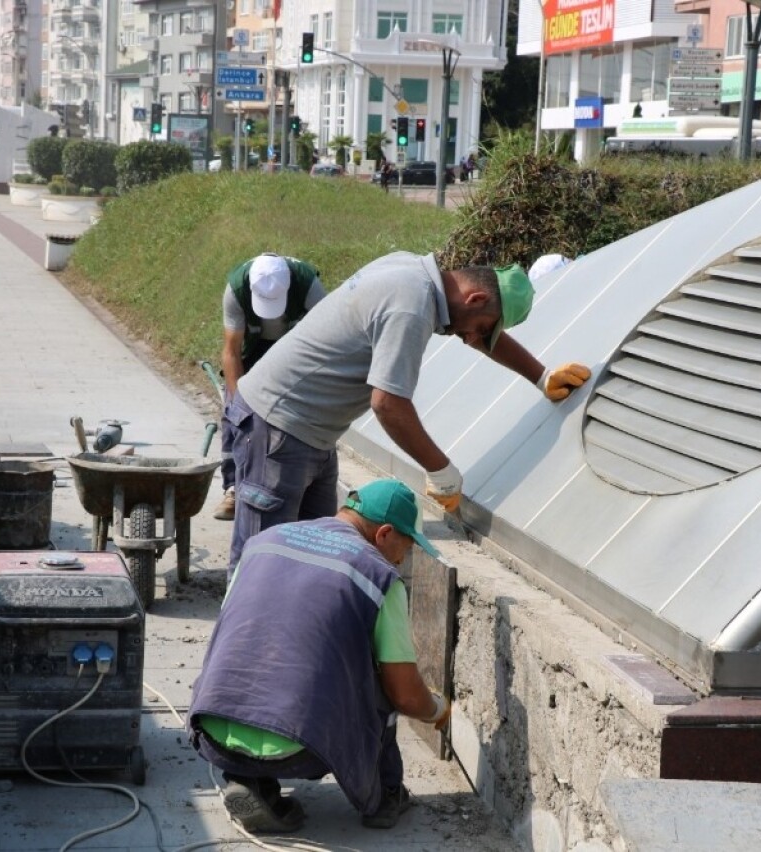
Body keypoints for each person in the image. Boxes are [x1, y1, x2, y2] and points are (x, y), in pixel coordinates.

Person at [224, 251, 591, 569]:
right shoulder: (410, 307)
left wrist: (540, 376)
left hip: (311, 435)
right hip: (275, 429)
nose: (471, 339)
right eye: (480, 329)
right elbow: (387, 404)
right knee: (261, 563)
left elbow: (482, 336)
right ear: (475, 298)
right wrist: (440, 469)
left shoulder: (411, 272)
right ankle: (242, 648)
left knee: (317, 556)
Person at [188, 478, 453, 833]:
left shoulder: (261, 543)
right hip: (308, 746)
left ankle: (249, 780)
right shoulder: (378, 575)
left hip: (213, 726)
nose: (403, 558)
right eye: (405, 547)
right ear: (384, 533)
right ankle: (385, 796)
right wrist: (437, 708)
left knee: (250, 650)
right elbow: (404, 694)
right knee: (382, 683)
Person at [212, 253, 326, 520]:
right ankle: (233, 488)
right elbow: (231, 351)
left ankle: (296, 489)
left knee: (294, 417)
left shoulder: (308, 286)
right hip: (253, 348)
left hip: (297, 348)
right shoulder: (237, 289)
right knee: (235, 415)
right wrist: (237, 401)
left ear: (287, 288)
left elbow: (327, 337)